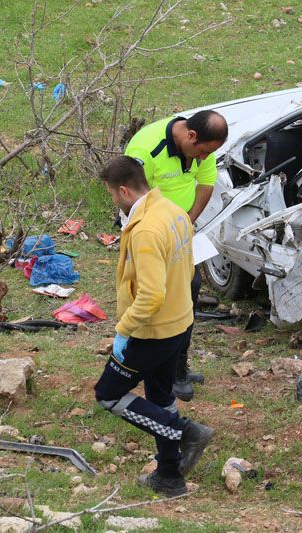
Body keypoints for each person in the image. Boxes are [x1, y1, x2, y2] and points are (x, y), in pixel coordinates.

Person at [94, 156, 214, 496]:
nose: (113, 202)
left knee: (108, 395)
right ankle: (169, 477)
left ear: (124, 190)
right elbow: (187, 267)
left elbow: (149, 295)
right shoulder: (174, 211)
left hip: (151, 331)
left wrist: (123, 330)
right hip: (179, 324)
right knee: (161, 400)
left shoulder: (145, 230)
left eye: (112, 195)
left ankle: (186, 432)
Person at [125, 109, 229, 401]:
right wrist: (159, 233)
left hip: (181, 232)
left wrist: (187, 222)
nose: (202, 159)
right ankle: (151, 369)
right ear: (190, 136)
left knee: (189, 293)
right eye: (202, 152)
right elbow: (130, 198)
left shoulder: (203, 150)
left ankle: (177, 368)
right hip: (150, 233)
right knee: (157, 298)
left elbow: (206, 185)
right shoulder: (145, 148)